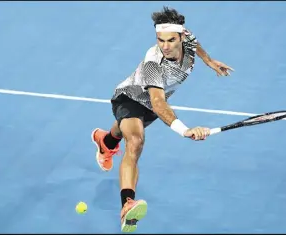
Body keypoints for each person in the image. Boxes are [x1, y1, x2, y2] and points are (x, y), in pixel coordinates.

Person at [91, 6, 234, 233]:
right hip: (131, 97)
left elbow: (195, 45)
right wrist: (184, 130)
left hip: (151, 105)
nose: (165, 46)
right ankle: (127, 204)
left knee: (125, 129)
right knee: (135, 141)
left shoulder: (186, 39)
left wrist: (209, 61)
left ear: (181, 36)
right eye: (160, 40)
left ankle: (106, 142)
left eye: (170, 40)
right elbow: (158, 104)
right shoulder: (153, 64)